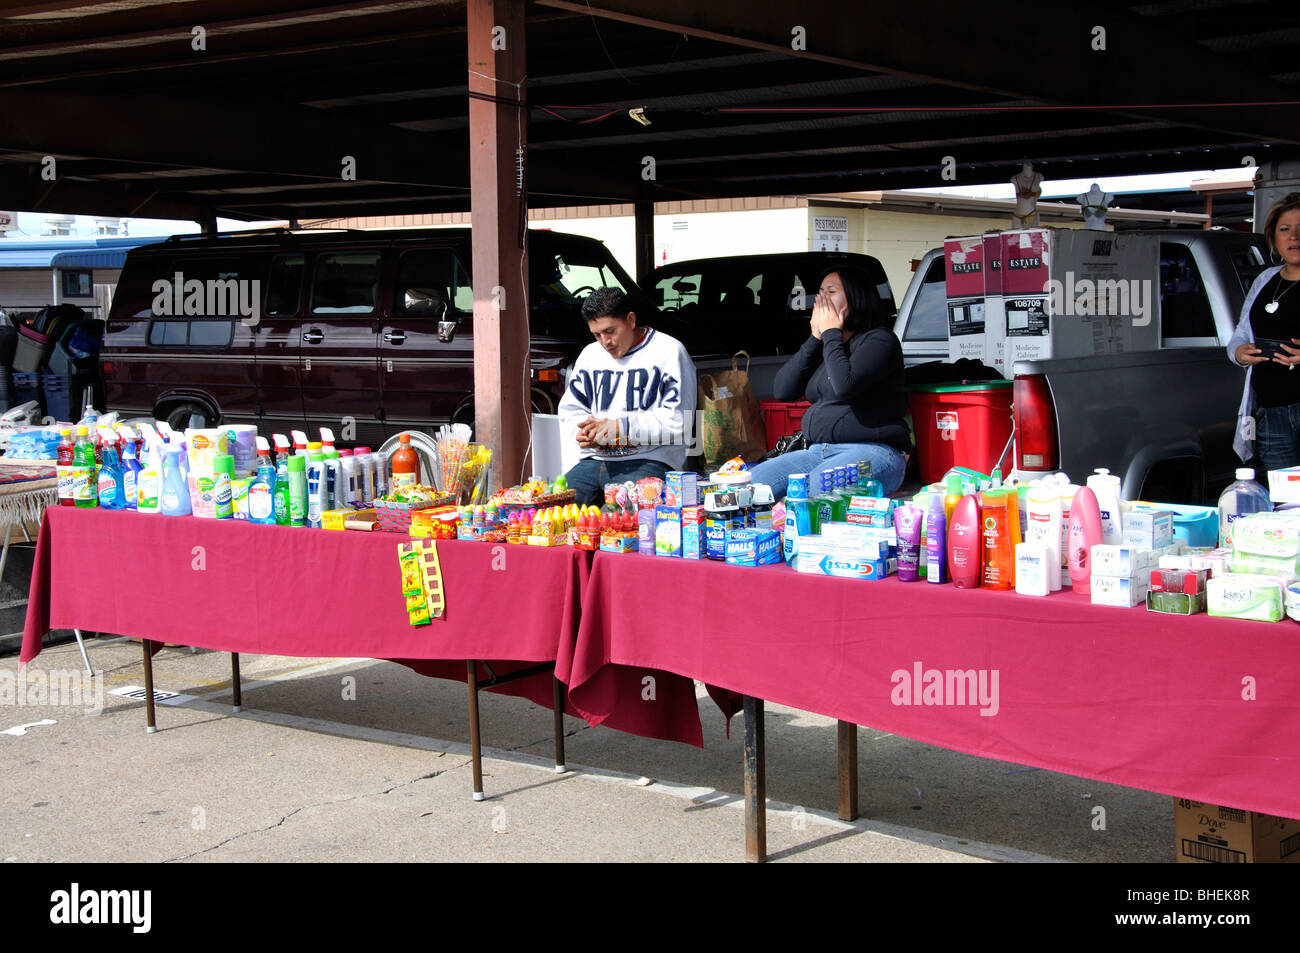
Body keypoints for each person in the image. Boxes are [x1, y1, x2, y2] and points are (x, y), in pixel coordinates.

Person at [746, 265, 910, 499]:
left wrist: (832, 332)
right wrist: (815, 338)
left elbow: (846, 385)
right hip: (816, 452)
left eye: (831, 292)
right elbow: (783, 390)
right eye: (820, 292)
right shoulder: (829, 346)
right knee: (748, 489)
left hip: (873, 452)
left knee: (811, 493)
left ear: (855, 298)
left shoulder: (880, 340)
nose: (821, 299)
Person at [557, 287, 697, 505]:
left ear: (631, 320)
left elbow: (680, 421)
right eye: (597, 335)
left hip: (650, 461)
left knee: (614, 524)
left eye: (610, 331)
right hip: (593, 461)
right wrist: (583, 430)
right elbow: (571, 409)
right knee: (551, 514)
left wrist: (623, 427)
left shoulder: (669, 352)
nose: (605, 342)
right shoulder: (590, 355)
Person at [1228, 191, 1300, 471]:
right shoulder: (1265, 280)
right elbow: (1241, 334)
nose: (1294, 236)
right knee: (1282, 498)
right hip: (1270, 409)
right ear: (1274, 238)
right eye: (1285, 230)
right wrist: (1238, 352)